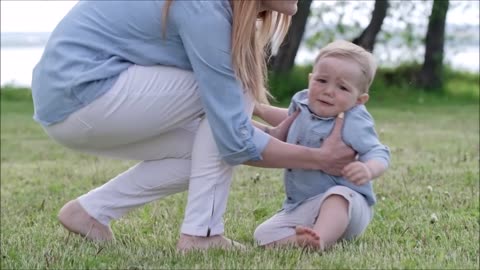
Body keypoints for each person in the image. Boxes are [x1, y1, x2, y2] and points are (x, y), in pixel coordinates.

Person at [31, 1, 354, 251]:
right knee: (237, 85)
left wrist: (312, 127)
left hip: (71, 106)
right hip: (86, 94)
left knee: (202, 152)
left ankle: (90, 212)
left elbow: (225, 131)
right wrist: (319, 158)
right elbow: (232, 136)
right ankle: (202, 235)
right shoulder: (207, 8)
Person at [253, 40, 391, 251]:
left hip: (349, 207)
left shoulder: (352, 119)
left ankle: (321, 239)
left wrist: (368, 168)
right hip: (305, 205)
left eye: (342, 87)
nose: (328, 91)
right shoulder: (303, 102)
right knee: (262, 234)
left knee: (338, 195)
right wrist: (260, 109)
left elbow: (378, 151)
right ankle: (301, 241)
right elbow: (290, 119)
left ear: (360, 99)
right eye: (322, 80)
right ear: (311, 79)